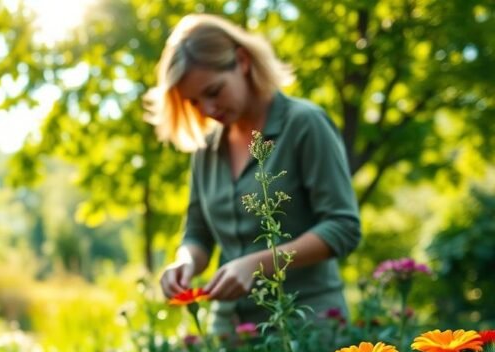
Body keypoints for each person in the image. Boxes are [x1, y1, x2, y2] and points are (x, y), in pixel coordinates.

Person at [147, 14, 361, 333]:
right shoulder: (206, 149)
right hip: (230, 330)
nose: (207, 110)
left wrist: (257, 265)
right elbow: (197, 234)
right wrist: (186, 262)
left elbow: (343, 226)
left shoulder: (304, 124)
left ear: (243, 61)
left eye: (214, 91)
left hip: (307, 325)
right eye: (194, 102)